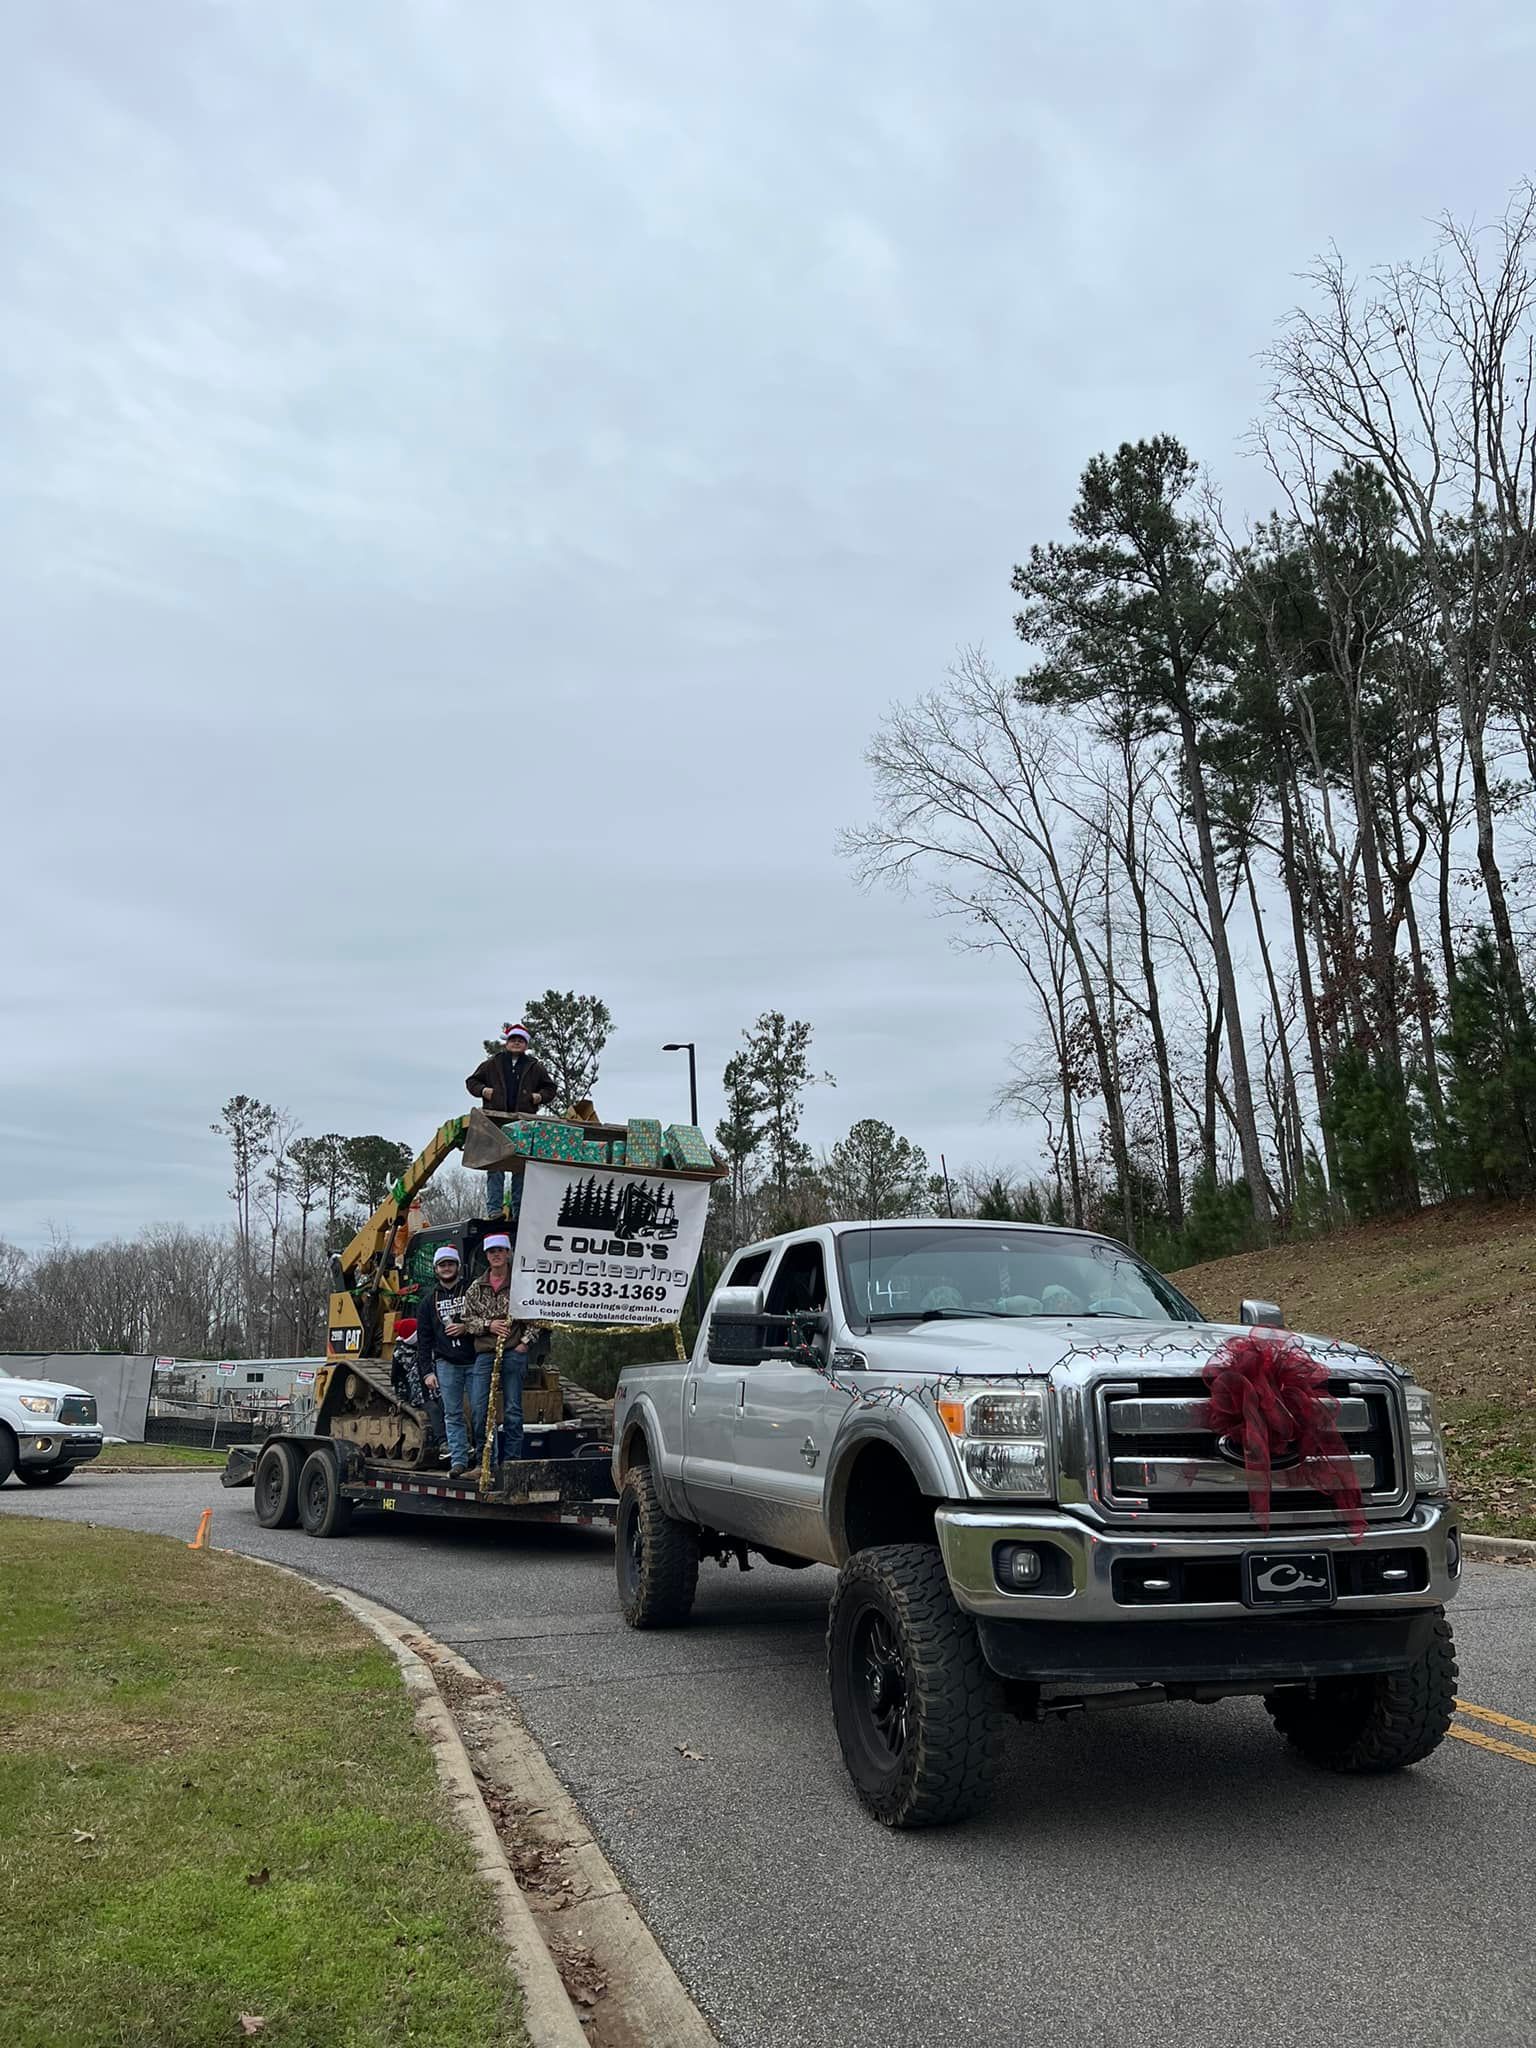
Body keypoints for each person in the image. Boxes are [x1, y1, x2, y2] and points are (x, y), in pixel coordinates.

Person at [460, 1232, 538, 1469]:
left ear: (508, 1253)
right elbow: (466, 1320)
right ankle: (486, 1463)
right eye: (491, 1252)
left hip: (514, 1352)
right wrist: (488, 1325)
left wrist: (525, 1342)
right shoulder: (476, 1287)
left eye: (500, 1251)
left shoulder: (520, 1284)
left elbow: (536, 1316)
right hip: (485, 1354)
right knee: (480, 1410)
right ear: (486, 1256)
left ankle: (513, 1463)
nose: (496, 1255)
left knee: (513, 1410)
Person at [465, 1023, 558, 1219]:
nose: (516, 1043)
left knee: (521, 1169)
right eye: (513, 1039)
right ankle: (495, 1211)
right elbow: (472, 1082)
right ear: (506, 1042)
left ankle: (518, 1213)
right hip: (495, 1123)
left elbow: (550, 1088)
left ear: (526, 1044)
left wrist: (538, 1097)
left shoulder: (535, 1066)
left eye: (520, 1040)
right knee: (495, 1166)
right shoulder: (493, 1063)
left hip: (523, 1123)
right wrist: (484, 1091)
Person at [415, 1244, 476, 1462]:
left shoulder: (472, 1291)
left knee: (480, 1412)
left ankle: (484, 1459)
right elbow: (424, 1341)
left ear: (458, 1266)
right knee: (452, 1413)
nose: (447, 1268)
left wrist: (465, 1328)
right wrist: (427, 1372)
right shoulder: (428, 1302)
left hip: (475, 1360)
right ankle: (459, 1459)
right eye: (442, 1265)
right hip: (446, 1363)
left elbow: (487, 1319)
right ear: (436, 1269)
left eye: (450, 1264)